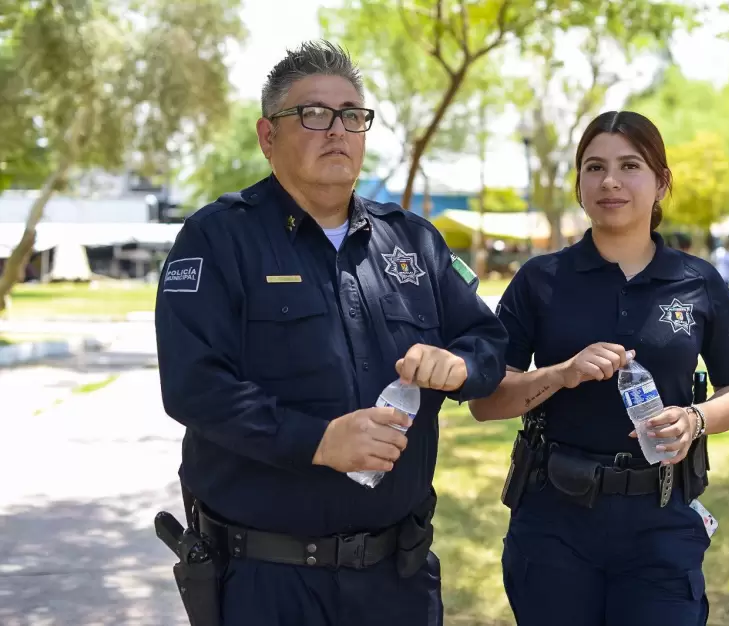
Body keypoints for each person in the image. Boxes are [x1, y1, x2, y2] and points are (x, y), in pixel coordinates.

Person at [154, 40, 508, 626]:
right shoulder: (217, 239)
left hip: (399, 577)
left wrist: (462, 366)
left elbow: (488, 340)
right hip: (268, 581)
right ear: (269, 137)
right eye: (313, 114)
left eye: (352, 115)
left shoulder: (413, 241)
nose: (336, 130)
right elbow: (195, 386)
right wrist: (317, 442)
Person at [469, 111, 729, 625]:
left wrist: (695, 420)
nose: (610, 181)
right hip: (554, 521)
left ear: (661, 182)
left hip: (661, 520)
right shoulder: (540, 280)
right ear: (579, 185)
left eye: (630, 165)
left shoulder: (699, 282)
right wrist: (560, 374)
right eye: (594, 167)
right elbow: (486, 402)